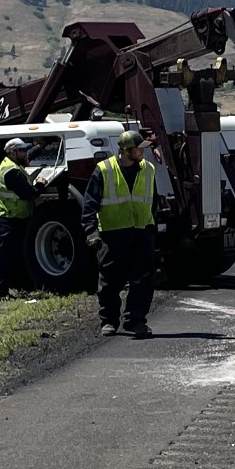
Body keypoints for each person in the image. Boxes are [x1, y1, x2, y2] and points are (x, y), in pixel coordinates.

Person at [82, 129, 157, 337]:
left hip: (141, 233)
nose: (142, 153)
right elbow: (90, 206)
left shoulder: (149, 170)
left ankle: (136, 321)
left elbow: (154, 202)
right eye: (137, 149)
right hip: (113, 234)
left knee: (142, 281)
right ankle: (109, 321)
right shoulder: (104, 170)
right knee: (109, 281)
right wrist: (91, 233)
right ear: (125, 151)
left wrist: (151, 228)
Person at [0, 138, 37, 299]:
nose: (25, 153)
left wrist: (42, 146)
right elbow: (28, 194)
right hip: (7, 220)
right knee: (3, 259)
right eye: (22, 151)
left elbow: (28, 158)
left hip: (10, 219)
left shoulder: (11, 165)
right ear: (13, 152)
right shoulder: (11, 171)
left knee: (6, 257)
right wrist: (40, 184)